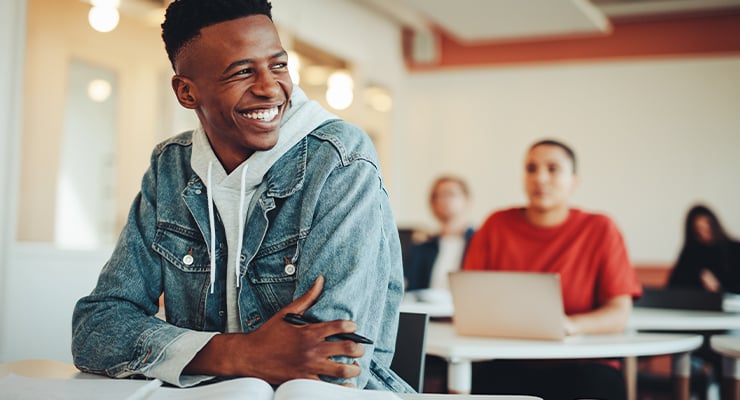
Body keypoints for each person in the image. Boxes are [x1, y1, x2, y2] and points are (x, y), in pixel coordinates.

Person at [71, 0, 411, 392]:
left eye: (279, 65)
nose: (270, 88)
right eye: (243, 72)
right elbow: (96, 328)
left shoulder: (339, 159)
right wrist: (240, 353)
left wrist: (191, 352)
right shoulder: (171, 167)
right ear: (186, 92)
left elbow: (331, 366)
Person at [462, 139, 643, 400]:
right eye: (531, 168)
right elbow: (471, 300)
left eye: (553, 168)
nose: (541, 178)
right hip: (508, 360)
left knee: (598, 385)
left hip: (583, 363)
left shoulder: (601, 229)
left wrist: (572, 325)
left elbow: (619, 313)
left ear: (574, 181)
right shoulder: (496, 225)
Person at [404, 175, 475, 292]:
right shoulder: (422, 248)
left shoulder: (480, 243)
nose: (442, 200)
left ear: (467, 200)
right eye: (436, 196)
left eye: (450, 194)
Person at [668, 204, 740, 294]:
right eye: (699, 230)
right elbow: (674, 289)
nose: (705, 234)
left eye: (708, 228)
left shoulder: (734, 250)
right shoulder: (689, 254)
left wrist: (718, 288)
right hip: (696, 304)